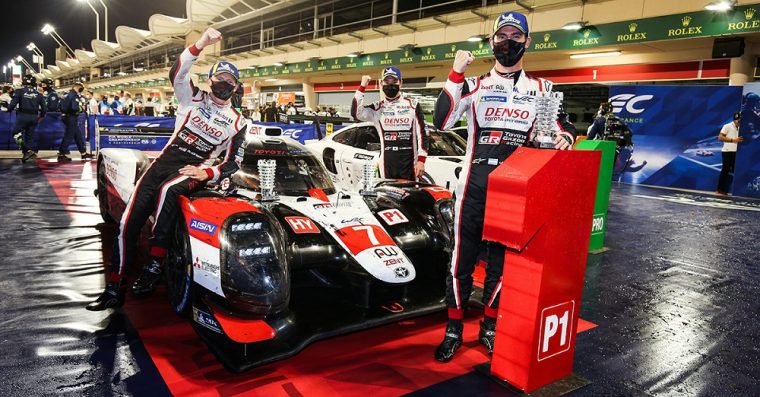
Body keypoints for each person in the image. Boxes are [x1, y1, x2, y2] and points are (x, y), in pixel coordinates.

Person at [432, 10, 575, 362]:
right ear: (492, 42)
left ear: (527, 41)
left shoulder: (542, 90)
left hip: (514, 189)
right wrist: (456, 73)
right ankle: (453, 329)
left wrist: (563, 139)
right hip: (475, 184)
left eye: (515, 36)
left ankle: (489, 328)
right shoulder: (476, 85)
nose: (507, 42)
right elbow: (442, 119)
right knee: (461, 259)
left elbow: (564, 129)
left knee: (501, 263)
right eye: (501, 36)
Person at [86, 27, 248, 311]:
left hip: (192, 171)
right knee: (127, 223)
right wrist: (201, 43)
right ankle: (114, 287)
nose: (224, 84)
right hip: (162, 163)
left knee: (167, 193)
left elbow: (234, 161)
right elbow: (178, 71)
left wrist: (207, 173)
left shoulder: (237, 122)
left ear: (236, 87)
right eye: (220, 78)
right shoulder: (191, 97)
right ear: (210, 80)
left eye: (230, 81)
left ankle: (154, 264)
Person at [352, 67, 428, 181]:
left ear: (401, 83)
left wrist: (421, 161)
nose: (390, 85)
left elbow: (423, 134)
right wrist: (362, 86)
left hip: (410, 165)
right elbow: (356, 113)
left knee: (409, 198)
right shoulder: (377, 108)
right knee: (386, 198)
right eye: (387, 82)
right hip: (386, 166)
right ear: (381, 84)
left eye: (394, 82)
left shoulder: (413, 105)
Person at [7, 74, 47, 162]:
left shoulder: (19, 91)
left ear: (24, 82)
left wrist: (8, 109)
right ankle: (26, 155)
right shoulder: (39, 94)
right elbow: (44, 109)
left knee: (15, 133)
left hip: (22, 116)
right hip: (34, 117)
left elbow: (12, 105)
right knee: (29, 137)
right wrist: (41, 116)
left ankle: (26, 150)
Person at [57, 82, 93, 162]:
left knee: (78, 135)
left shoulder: (65, 94)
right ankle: (62, 153)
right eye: (81, 88)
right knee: (69, 135)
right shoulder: (74, 95)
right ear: (78, 87)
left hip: (65, 116)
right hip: (71, 117)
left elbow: (58, 106)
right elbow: (74, 108)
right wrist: (81, 109)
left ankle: (83, 153)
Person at [716, 111, 743, 195]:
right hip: (727, 151)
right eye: (738, 120)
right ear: (735, 120)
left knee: (738, 171)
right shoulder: (727, 126)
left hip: (737, 153)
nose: (739, 122)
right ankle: (720, 189)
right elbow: (720, 137)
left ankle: (738, 191)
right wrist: (733, 140)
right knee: (725, 170)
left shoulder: (743, 128)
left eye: (740, 120)